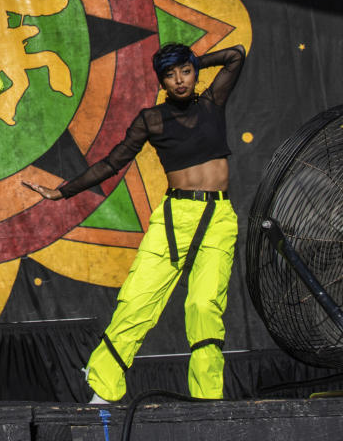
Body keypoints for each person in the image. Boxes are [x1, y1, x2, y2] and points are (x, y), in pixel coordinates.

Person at [25, 42, 245, 403]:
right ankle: (103, 382)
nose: (179, 81)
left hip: (219, 217)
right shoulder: (152, 119)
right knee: (139, 300)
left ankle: (209, 397)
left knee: (205, 306)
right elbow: (112, 163)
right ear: (161, 81)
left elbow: (235, 54)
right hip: (176, 217)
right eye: (170, 75)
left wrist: (192, 60)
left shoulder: (212, 103)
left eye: (185, 72)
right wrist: (63, 192)